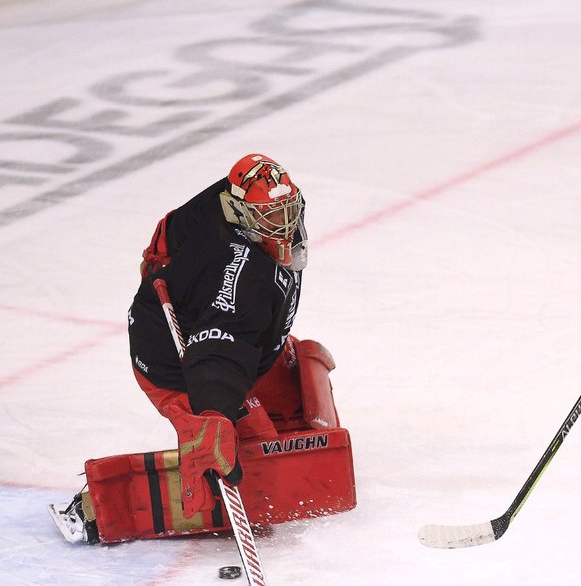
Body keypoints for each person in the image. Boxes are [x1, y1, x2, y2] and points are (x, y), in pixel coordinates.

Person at [51, 153, 356, 544]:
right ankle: (99, 506)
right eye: (270, 215)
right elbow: (218, 350)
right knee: (252, 459)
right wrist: (213, 414)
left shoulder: (226, 200)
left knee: (304, 393)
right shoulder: (241, 280)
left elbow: (172, 226)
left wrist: (155, 258)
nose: (282, 222)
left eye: (287, 208)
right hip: (182, 367)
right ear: (240, 212)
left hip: (248, 347)